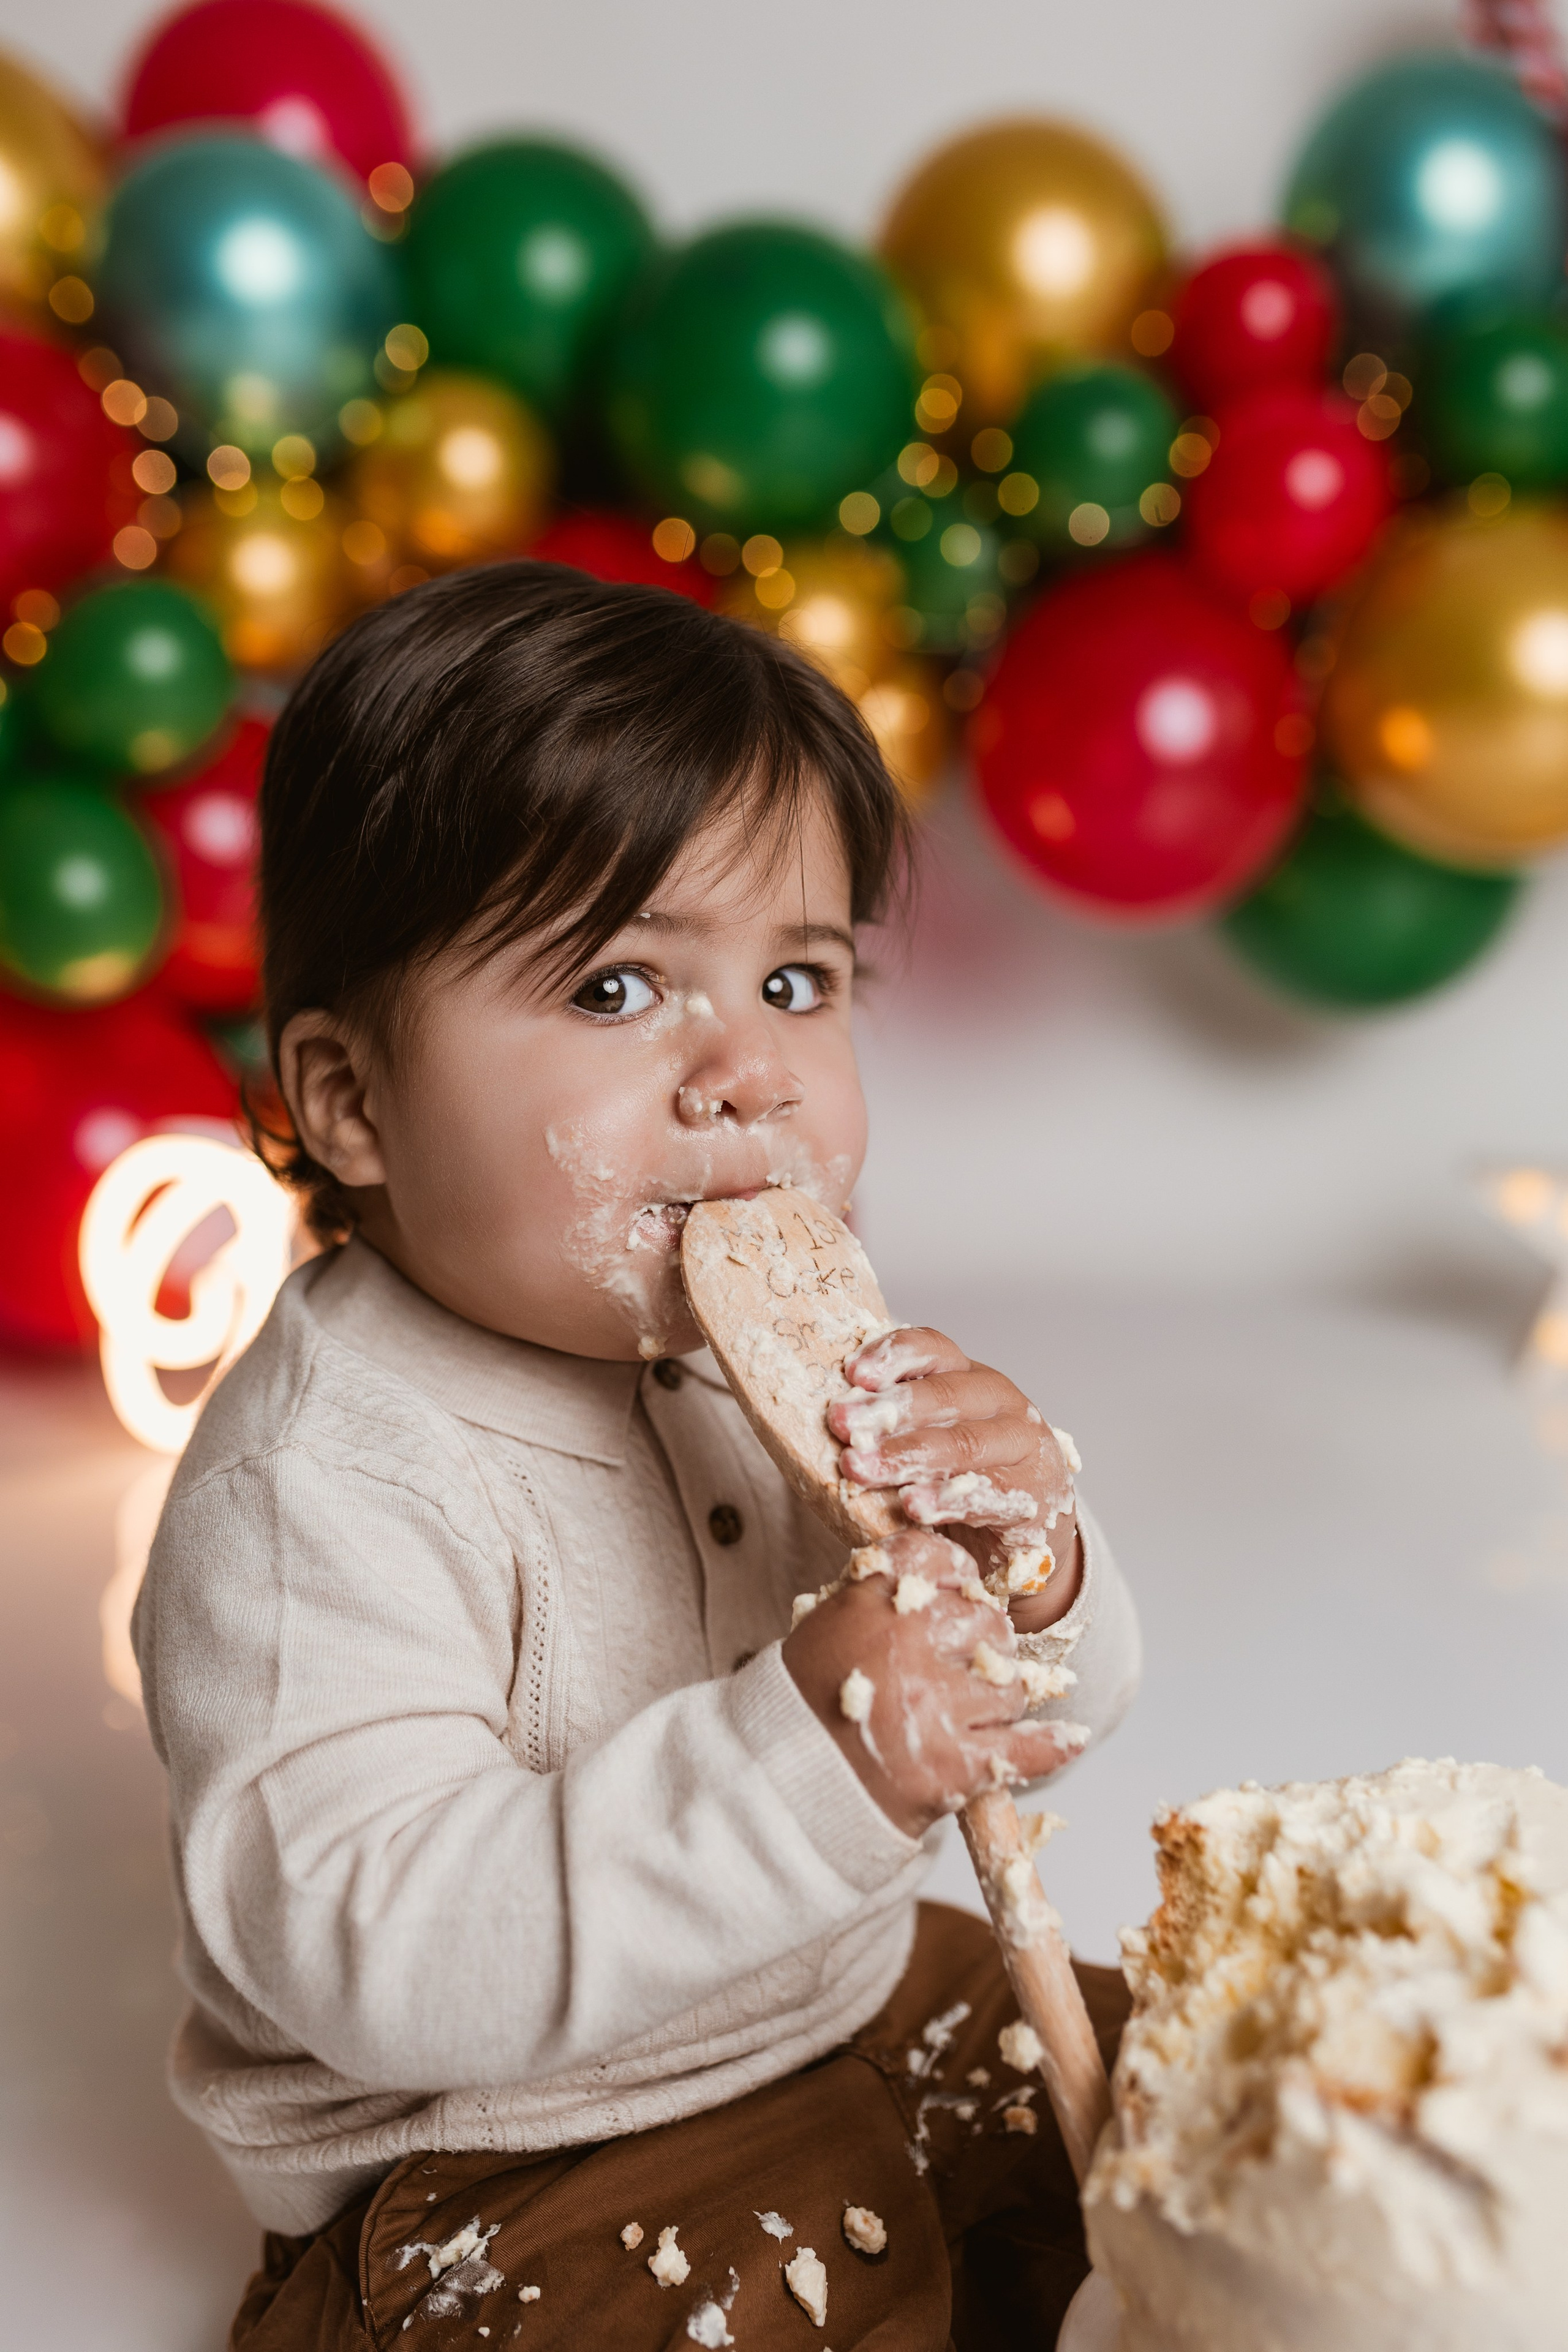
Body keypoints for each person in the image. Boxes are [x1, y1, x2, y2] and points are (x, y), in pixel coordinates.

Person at [135, 562, 1142, 2350]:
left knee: (1199, 2110)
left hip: (839, 1995)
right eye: (615, 988)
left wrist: (1025, 1562)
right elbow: (377, 1948)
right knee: (797, 2302)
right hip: (507, 2145)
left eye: (798, 977)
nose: (745, 1072)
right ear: (351, 1101)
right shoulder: (322, 1493)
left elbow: (1038, 1711)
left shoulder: (728, 1342)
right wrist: (821, 1741)